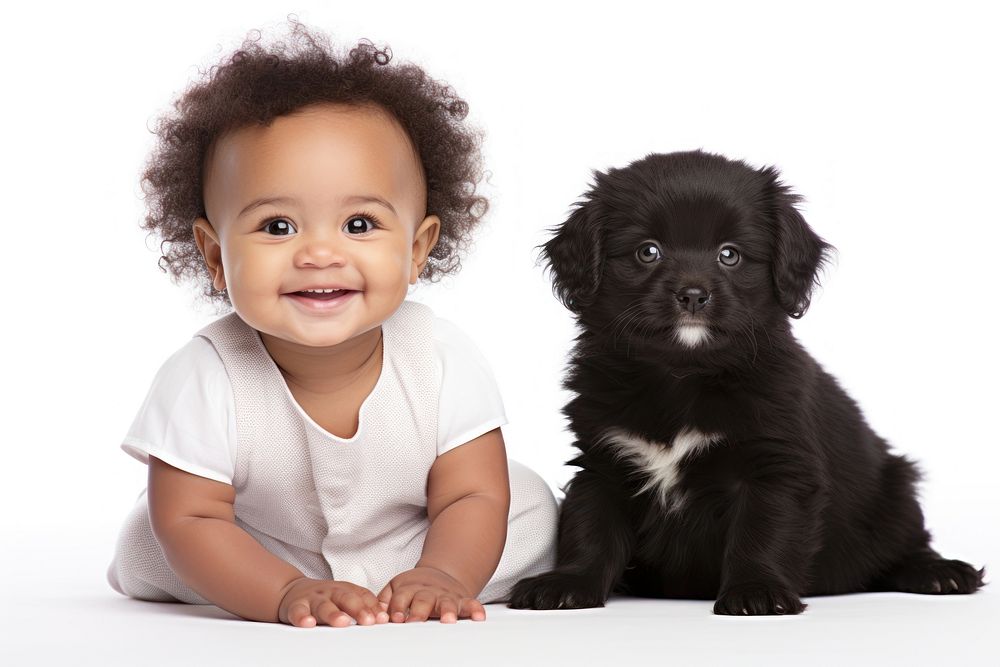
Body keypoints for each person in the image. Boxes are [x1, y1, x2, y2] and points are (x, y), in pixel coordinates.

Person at [107, 21, 557, 628]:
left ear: (418, 247)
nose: (320, 254)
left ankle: (402, 583)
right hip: (257, 544)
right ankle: (290, 586)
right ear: (216, 257)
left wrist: (443, 574)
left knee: (524, 504)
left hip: (408, 538)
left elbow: (469, 493)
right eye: (277, 227)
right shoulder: (205, 374)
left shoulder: (440, 356)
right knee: (164, 538)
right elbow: (194, 517)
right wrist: (282, 591)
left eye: (360, 225)